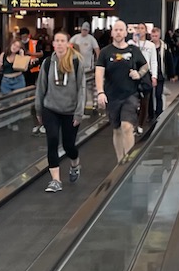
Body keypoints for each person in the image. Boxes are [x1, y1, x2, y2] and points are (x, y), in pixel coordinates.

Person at [35, 31, 86, 193]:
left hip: (70, 110)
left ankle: (75, 163)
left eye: (62, 41)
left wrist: (79, 112)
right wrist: (39, 109)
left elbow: (81, 89)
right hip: (51, 108)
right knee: (52, 140)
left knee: (68, 145)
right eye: (56, 41)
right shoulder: (48, 63)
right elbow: (41, 87)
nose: (59, 44)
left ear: (67, 43)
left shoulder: (76, 62)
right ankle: (55, 180)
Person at [96, 19, 150, 161]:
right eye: (116, 30)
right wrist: (100, 92)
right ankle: (120, 160)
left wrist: (139, 74)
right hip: (112, 96)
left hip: (130, 95)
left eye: (121, 30)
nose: (118, 32)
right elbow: (99, 73)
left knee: (127, 126)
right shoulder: (105, 52)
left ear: (126, 32)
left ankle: (129, 161)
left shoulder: (133, 50)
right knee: (117, 129)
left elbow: (145, 65)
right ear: (112, 32)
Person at [71, 22, 100, 110]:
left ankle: (89, 103)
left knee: (88, 86)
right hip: (76, 66)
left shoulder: (91, 39)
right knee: (77, 85)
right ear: (81, 29)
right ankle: (76, 103)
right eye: (83, 30)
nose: (84, 32)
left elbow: (97, 50)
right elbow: (68, 46)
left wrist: (98, 63)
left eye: (86, 30)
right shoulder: (76, 38)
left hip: (88, 67)